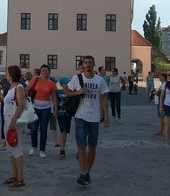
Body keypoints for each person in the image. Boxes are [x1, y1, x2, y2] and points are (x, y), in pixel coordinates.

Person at [63, 55, 109, 186]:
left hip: (94, 117)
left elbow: (103, 98)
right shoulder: (77, 78)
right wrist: (77, 92)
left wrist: (106, 115)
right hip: (80, 116)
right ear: (82, 65)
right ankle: (82, 172)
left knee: (92, 147)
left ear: (94, 64)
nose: (88, 65)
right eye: (86, 62)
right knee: (81, 146)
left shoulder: (100, 80)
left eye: (90, 62)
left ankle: (87, 172)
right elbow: (67, 92)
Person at [2, 65, 26, 188]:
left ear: (11, 75)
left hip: (14, 121)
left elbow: (21, 105)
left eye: (7, 73)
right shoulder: (12, 87)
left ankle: (20, 178)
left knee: (16, 148)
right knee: (10, 148)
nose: (6, 75)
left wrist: (13, 121)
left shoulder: (19, 87)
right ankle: (15, 175)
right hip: (8, 119)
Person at [27, 65, 58, 158]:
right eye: (43, 71)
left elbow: (54, 98)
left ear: (49, 72)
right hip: (35, 108)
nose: (44, 72)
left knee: (43, 129)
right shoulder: (35, 80)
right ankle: (34, 146)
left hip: (46, 109)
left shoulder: (51, 84)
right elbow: (27, 89)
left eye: (46, 71)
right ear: (40, 72)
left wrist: (55, 110)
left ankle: (42, 150)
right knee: (33, 129)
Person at [56, 77, 72, 157]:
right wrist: (56, 112)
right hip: (61, 113)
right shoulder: (59, 92)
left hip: (68, 114)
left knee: (66, 132)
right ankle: (62, 149)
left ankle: (63, 147)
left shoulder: (71, 92)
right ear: (62, 85)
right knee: (63, 131)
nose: (67, 84)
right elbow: (56, 102)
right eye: (66, 83)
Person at [0, 75, 11, 150]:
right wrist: (1, 96)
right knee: (4, 122)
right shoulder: (4, 81)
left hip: (13, 105)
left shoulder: (17, 81)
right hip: (4, 103)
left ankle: (11, 140)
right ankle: (3, 140)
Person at [153, 72, 167, 137]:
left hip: (162, 103)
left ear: (163, 77)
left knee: (163, 117)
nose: (159, 78)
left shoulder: (165, 84)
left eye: (160, 76)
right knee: (160, 118)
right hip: (158, 102)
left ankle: (164, 131)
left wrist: (155, 92)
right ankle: (160, 130)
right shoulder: (162, 84)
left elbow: (160, 93)